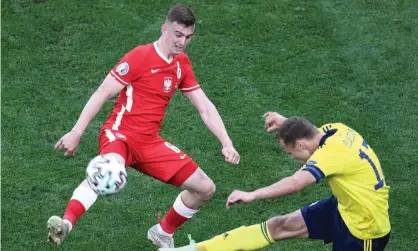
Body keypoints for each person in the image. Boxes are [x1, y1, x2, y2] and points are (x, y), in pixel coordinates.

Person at [47, 4, 240, 248]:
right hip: (119, 135)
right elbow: (102, 93)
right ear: (164, 29)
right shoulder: (140, 56)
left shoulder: (181, 64)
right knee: (108, 170)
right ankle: (66, 224)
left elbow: (205, 106)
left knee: (205, 188)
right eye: (178, 34)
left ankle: (162, 232)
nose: (182, 42)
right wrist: (76, 132)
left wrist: (226, 142)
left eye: (188, 37)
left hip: (149, 142)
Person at [159, 112, 391, 251]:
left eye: (291, 152)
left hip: (364, 231)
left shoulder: (330, 155)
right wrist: (285, 122)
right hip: (343, 208)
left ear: (300, 144)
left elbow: (295, 183)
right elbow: (307, 129)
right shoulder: (336, 131)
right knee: (278, 225)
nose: (292, 157)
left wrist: (253, 194)